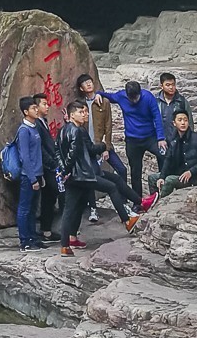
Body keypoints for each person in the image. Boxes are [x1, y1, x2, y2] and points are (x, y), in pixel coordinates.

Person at [55, 100, 140, 253]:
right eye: (81, 112)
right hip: (82, 175)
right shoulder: (77, 130)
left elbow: (57, 151)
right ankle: (127, 220)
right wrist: (66, 169)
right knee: (112, 187)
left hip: (72, 178)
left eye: (85, 111)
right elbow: (73, 154)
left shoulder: (62, 130)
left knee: (73, 208)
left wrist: (63, 170)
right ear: (72, 115)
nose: (85, 114)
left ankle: (66, 244)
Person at [75, 73, 141, 221]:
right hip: (87, 147)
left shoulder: (103, 102)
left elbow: (108, 125)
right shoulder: (80, 105)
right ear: (81, 88)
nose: (89, 84)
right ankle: (93, 208)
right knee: (91, 175)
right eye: (85, 83)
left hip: (102, 144)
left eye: (90, 82)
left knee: (121, 169)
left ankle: (123, 202)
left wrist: (107, 147)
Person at [104, 78, 167, 195]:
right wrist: (97, 95)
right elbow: (108, 96)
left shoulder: (148, 97)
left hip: (150, 137)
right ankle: (137, 201)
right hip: (132, 140)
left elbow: (157, 118)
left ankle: (163, 189)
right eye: (131, 98)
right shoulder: (121, 96)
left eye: (136, 98)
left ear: (140, 93)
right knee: (135, 171)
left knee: (164, 156)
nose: (133, 101)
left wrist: (161, 138)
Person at [154, 110, 197, 198]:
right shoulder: (172, 140)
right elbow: (168, 160)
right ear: (174, 123)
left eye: (185, 120)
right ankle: (153, 201)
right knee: (153, 178)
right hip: (179, 173)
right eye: (180, 120)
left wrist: (191, 172)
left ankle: (161, 204)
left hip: (195, 178)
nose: (183, 123)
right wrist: (162, 177)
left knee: (169, 180)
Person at [14, 95, 45, 249]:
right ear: (26, 112)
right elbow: (24, 157)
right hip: (28, 176)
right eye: (33, 108)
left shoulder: (35, 127)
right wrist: (33, 179)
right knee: (24, 208)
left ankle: (33, 237)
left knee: (33, 208)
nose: (36, 110)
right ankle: (24, 241)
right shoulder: (24, 131)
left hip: (38, 173)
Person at [31, 93, 62, 241]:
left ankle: (46, 231)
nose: (47, 106)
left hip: (49, 165)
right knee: (60, 193)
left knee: (49, 198)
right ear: (35, 107)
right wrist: (51, 162)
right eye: (44, 104)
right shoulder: (36, 124)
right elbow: (40, 148)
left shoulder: (42, 121)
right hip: (46, 167)